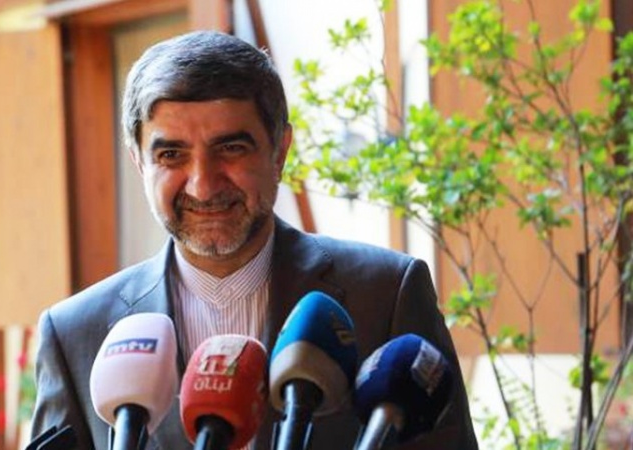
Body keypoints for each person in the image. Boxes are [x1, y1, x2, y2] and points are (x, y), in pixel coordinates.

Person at [31, 30, 478, 450]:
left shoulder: (386, 294)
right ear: (138, 162)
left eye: (231, 148)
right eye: (171, 155)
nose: (203, 185)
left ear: (279, 150)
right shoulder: (74, 334)